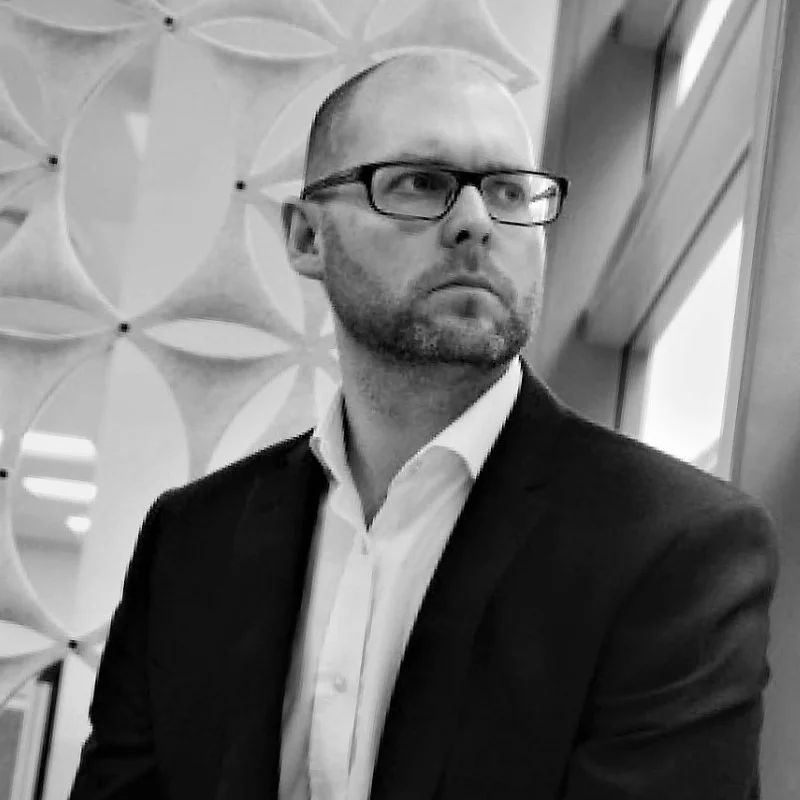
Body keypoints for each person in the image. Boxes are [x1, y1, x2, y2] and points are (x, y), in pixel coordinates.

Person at [69, 52, 779, 800]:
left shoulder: (677, 547)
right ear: (308, 238)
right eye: (420, 183)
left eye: (509, 190)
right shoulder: (190, 542)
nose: (477, 222)